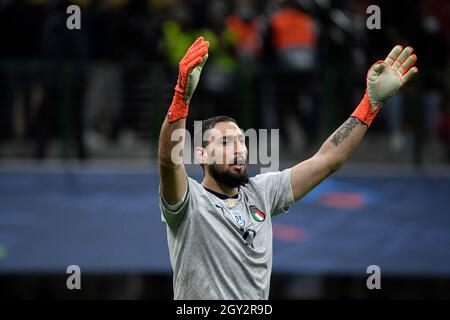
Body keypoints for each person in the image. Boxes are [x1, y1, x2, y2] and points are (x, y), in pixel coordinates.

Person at [158, 37, 418, 299]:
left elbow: (328, 160)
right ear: (201, 155)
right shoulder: (189, 202)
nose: (237, 148)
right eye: (225, 142)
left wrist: (370, 105)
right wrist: (182, 97)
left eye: (241, 140)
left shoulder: (261, 192)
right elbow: (169, 162)